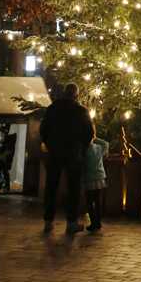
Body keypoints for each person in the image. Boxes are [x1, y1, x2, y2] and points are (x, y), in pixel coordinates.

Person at [39, 81, 93, 235]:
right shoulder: (81, 111)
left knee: (51, 186)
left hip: (55, 152)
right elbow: (89, 133)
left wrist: (50, 144)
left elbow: (44, 130)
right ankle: (71, 222)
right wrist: (81, 148)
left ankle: (48, 221)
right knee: (73, 188)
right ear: (76, 95)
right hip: (73, 154)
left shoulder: (53, 109)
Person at [85, 126, 109, 232]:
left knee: (89, 203)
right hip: (99, 178)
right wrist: (95, 137)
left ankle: (93, 223)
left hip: (89, 179)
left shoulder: (84, 149)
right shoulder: (98, 148)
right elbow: (106, 144)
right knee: (97, 202)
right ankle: (98, 222)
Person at [0, 123, 17, 192]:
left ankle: (3, 185)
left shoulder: (5, 140)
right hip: (5, 160)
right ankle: (5, 187)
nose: (0, 133)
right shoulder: (9, 140)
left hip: (3, 160)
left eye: (1, 131)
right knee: (4, 173)